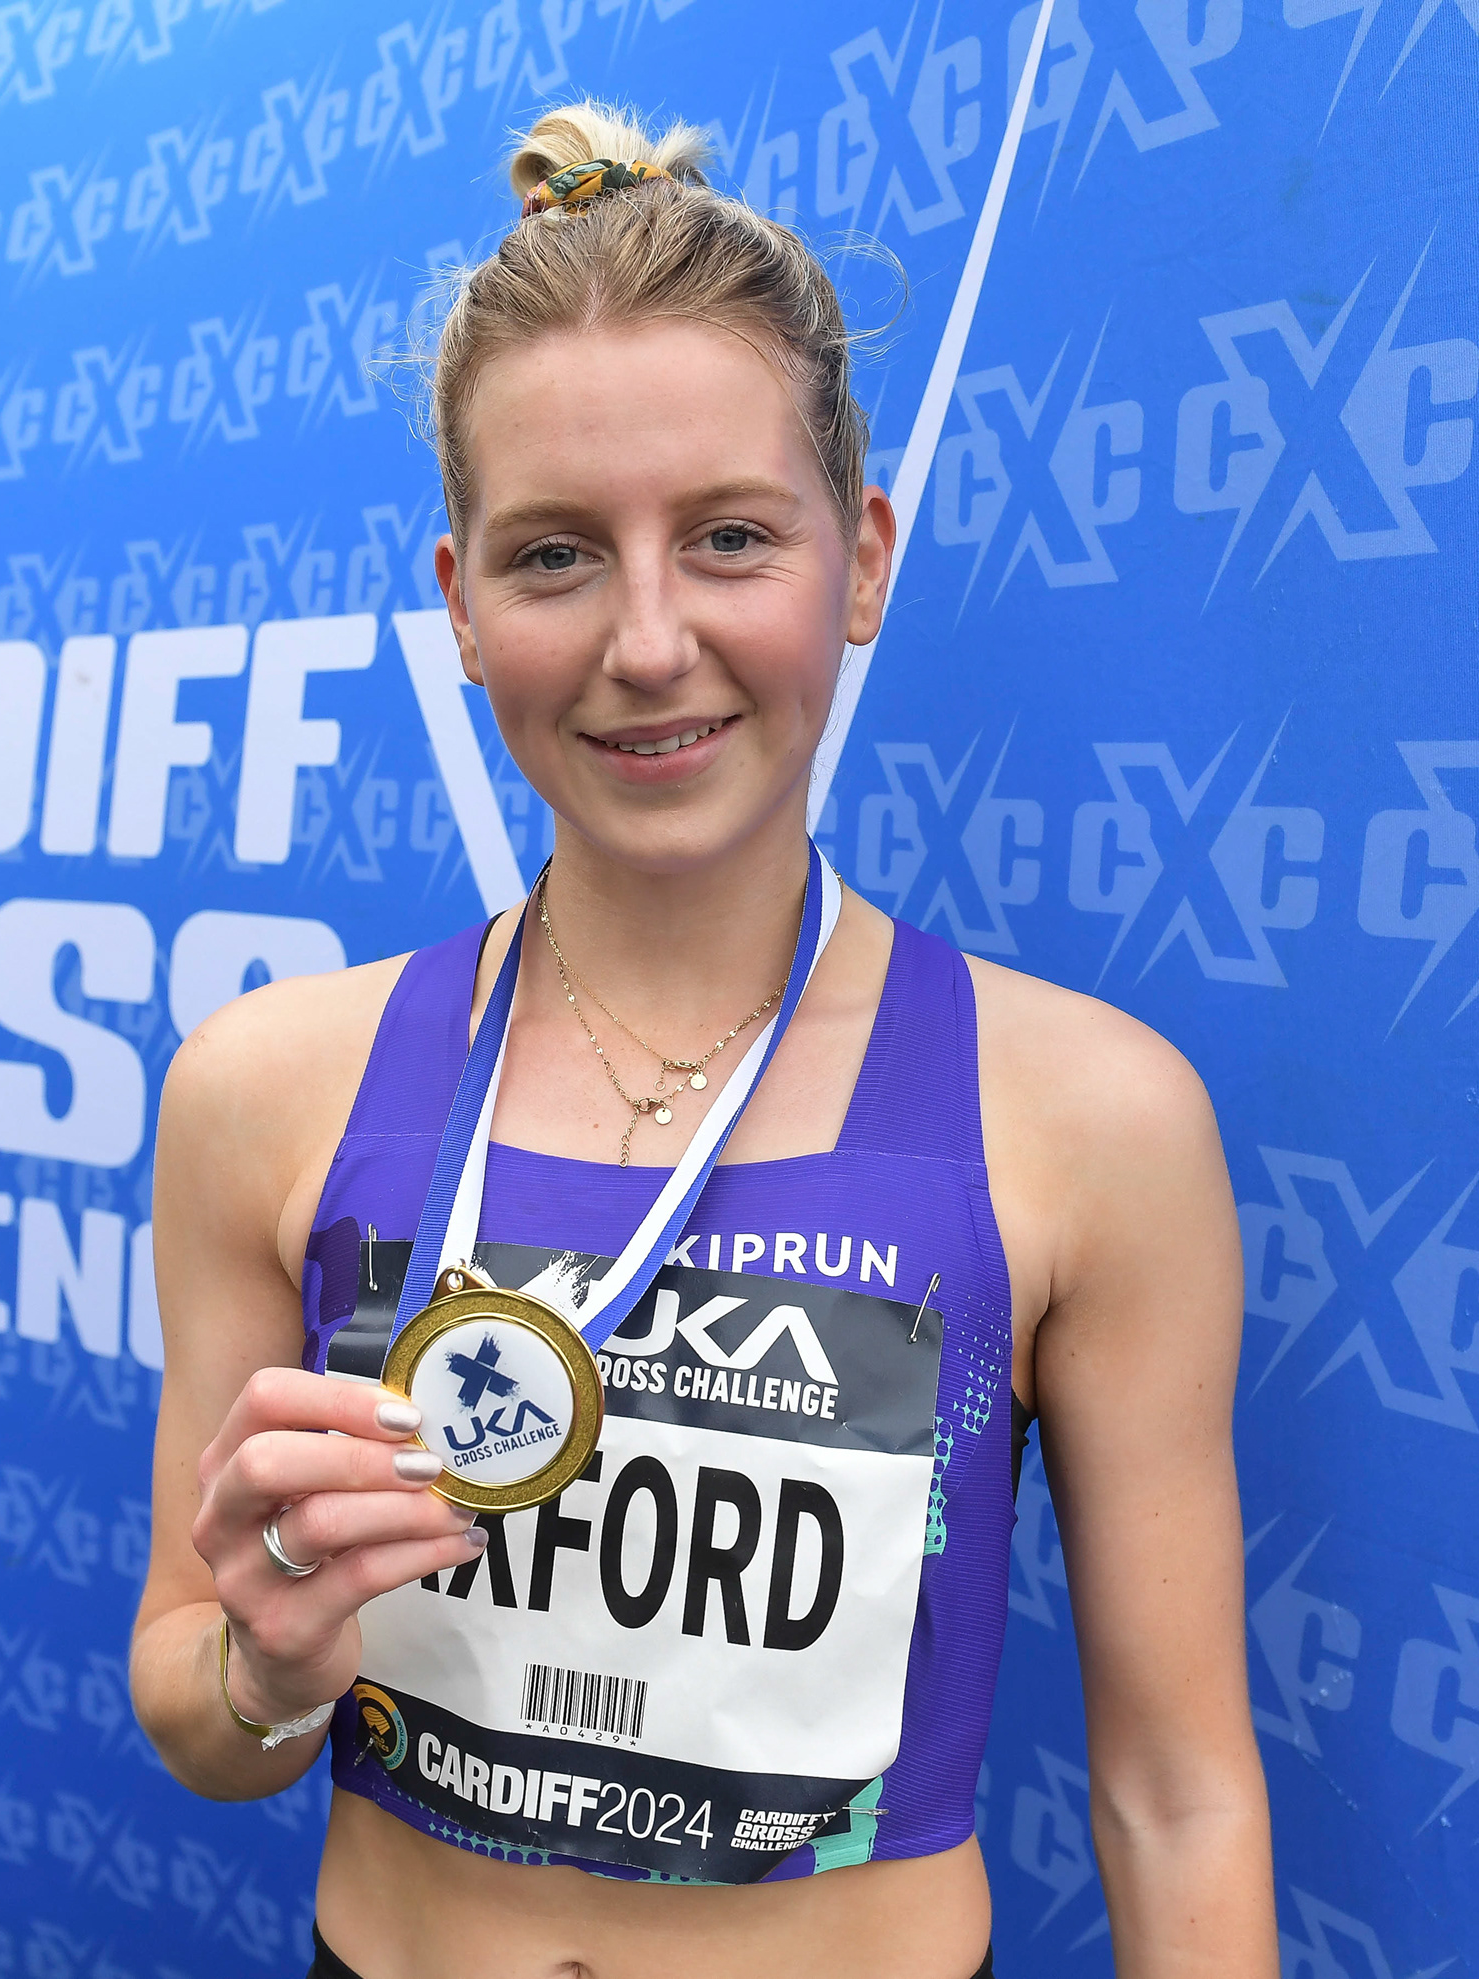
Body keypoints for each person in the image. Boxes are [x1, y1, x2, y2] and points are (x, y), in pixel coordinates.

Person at [131, 100, 1277, 1979]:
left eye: (732, 537)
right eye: (557, 556)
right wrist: (268, 1658)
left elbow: (1178, 1797)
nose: (648, 641)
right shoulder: (264, 1089)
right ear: (464, 611)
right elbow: (193, 1707)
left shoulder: (1093, 1119)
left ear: (866, 560)